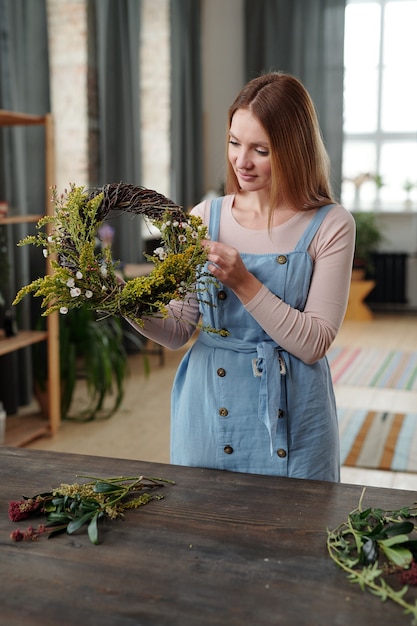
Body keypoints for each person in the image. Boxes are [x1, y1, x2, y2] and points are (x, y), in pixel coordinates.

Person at [128, 71, 355, 482]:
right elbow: (179, 329)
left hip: (297, 415)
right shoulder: (204, 216)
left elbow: (315, 342)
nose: (241, 161)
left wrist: (244, 282)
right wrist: (120, 301)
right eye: (234, 142)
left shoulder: (331, 224)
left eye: (260, 150)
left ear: (294, 150)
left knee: (296, 536)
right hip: (209, 408)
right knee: (204, 533)